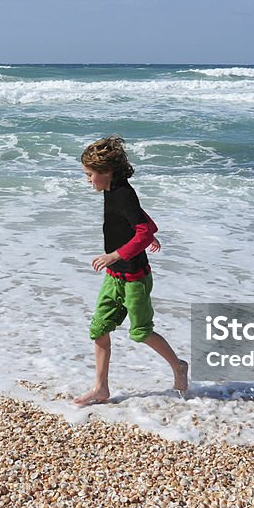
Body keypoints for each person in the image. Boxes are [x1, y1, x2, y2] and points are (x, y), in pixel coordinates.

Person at [74, 136, 189, 406]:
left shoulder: (123, 193)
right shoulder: (112, 190)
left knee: (141, 332)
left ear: (107, 172)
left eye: (90, 175)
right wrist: (150, 234)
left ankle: (179, 366)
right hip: (114, 277)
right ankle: (100, 388)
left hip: (135, 279)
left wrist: (118, 252)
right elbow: (141, 219)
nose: (88, 180)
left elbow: (140, 226)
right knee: (99, 329)